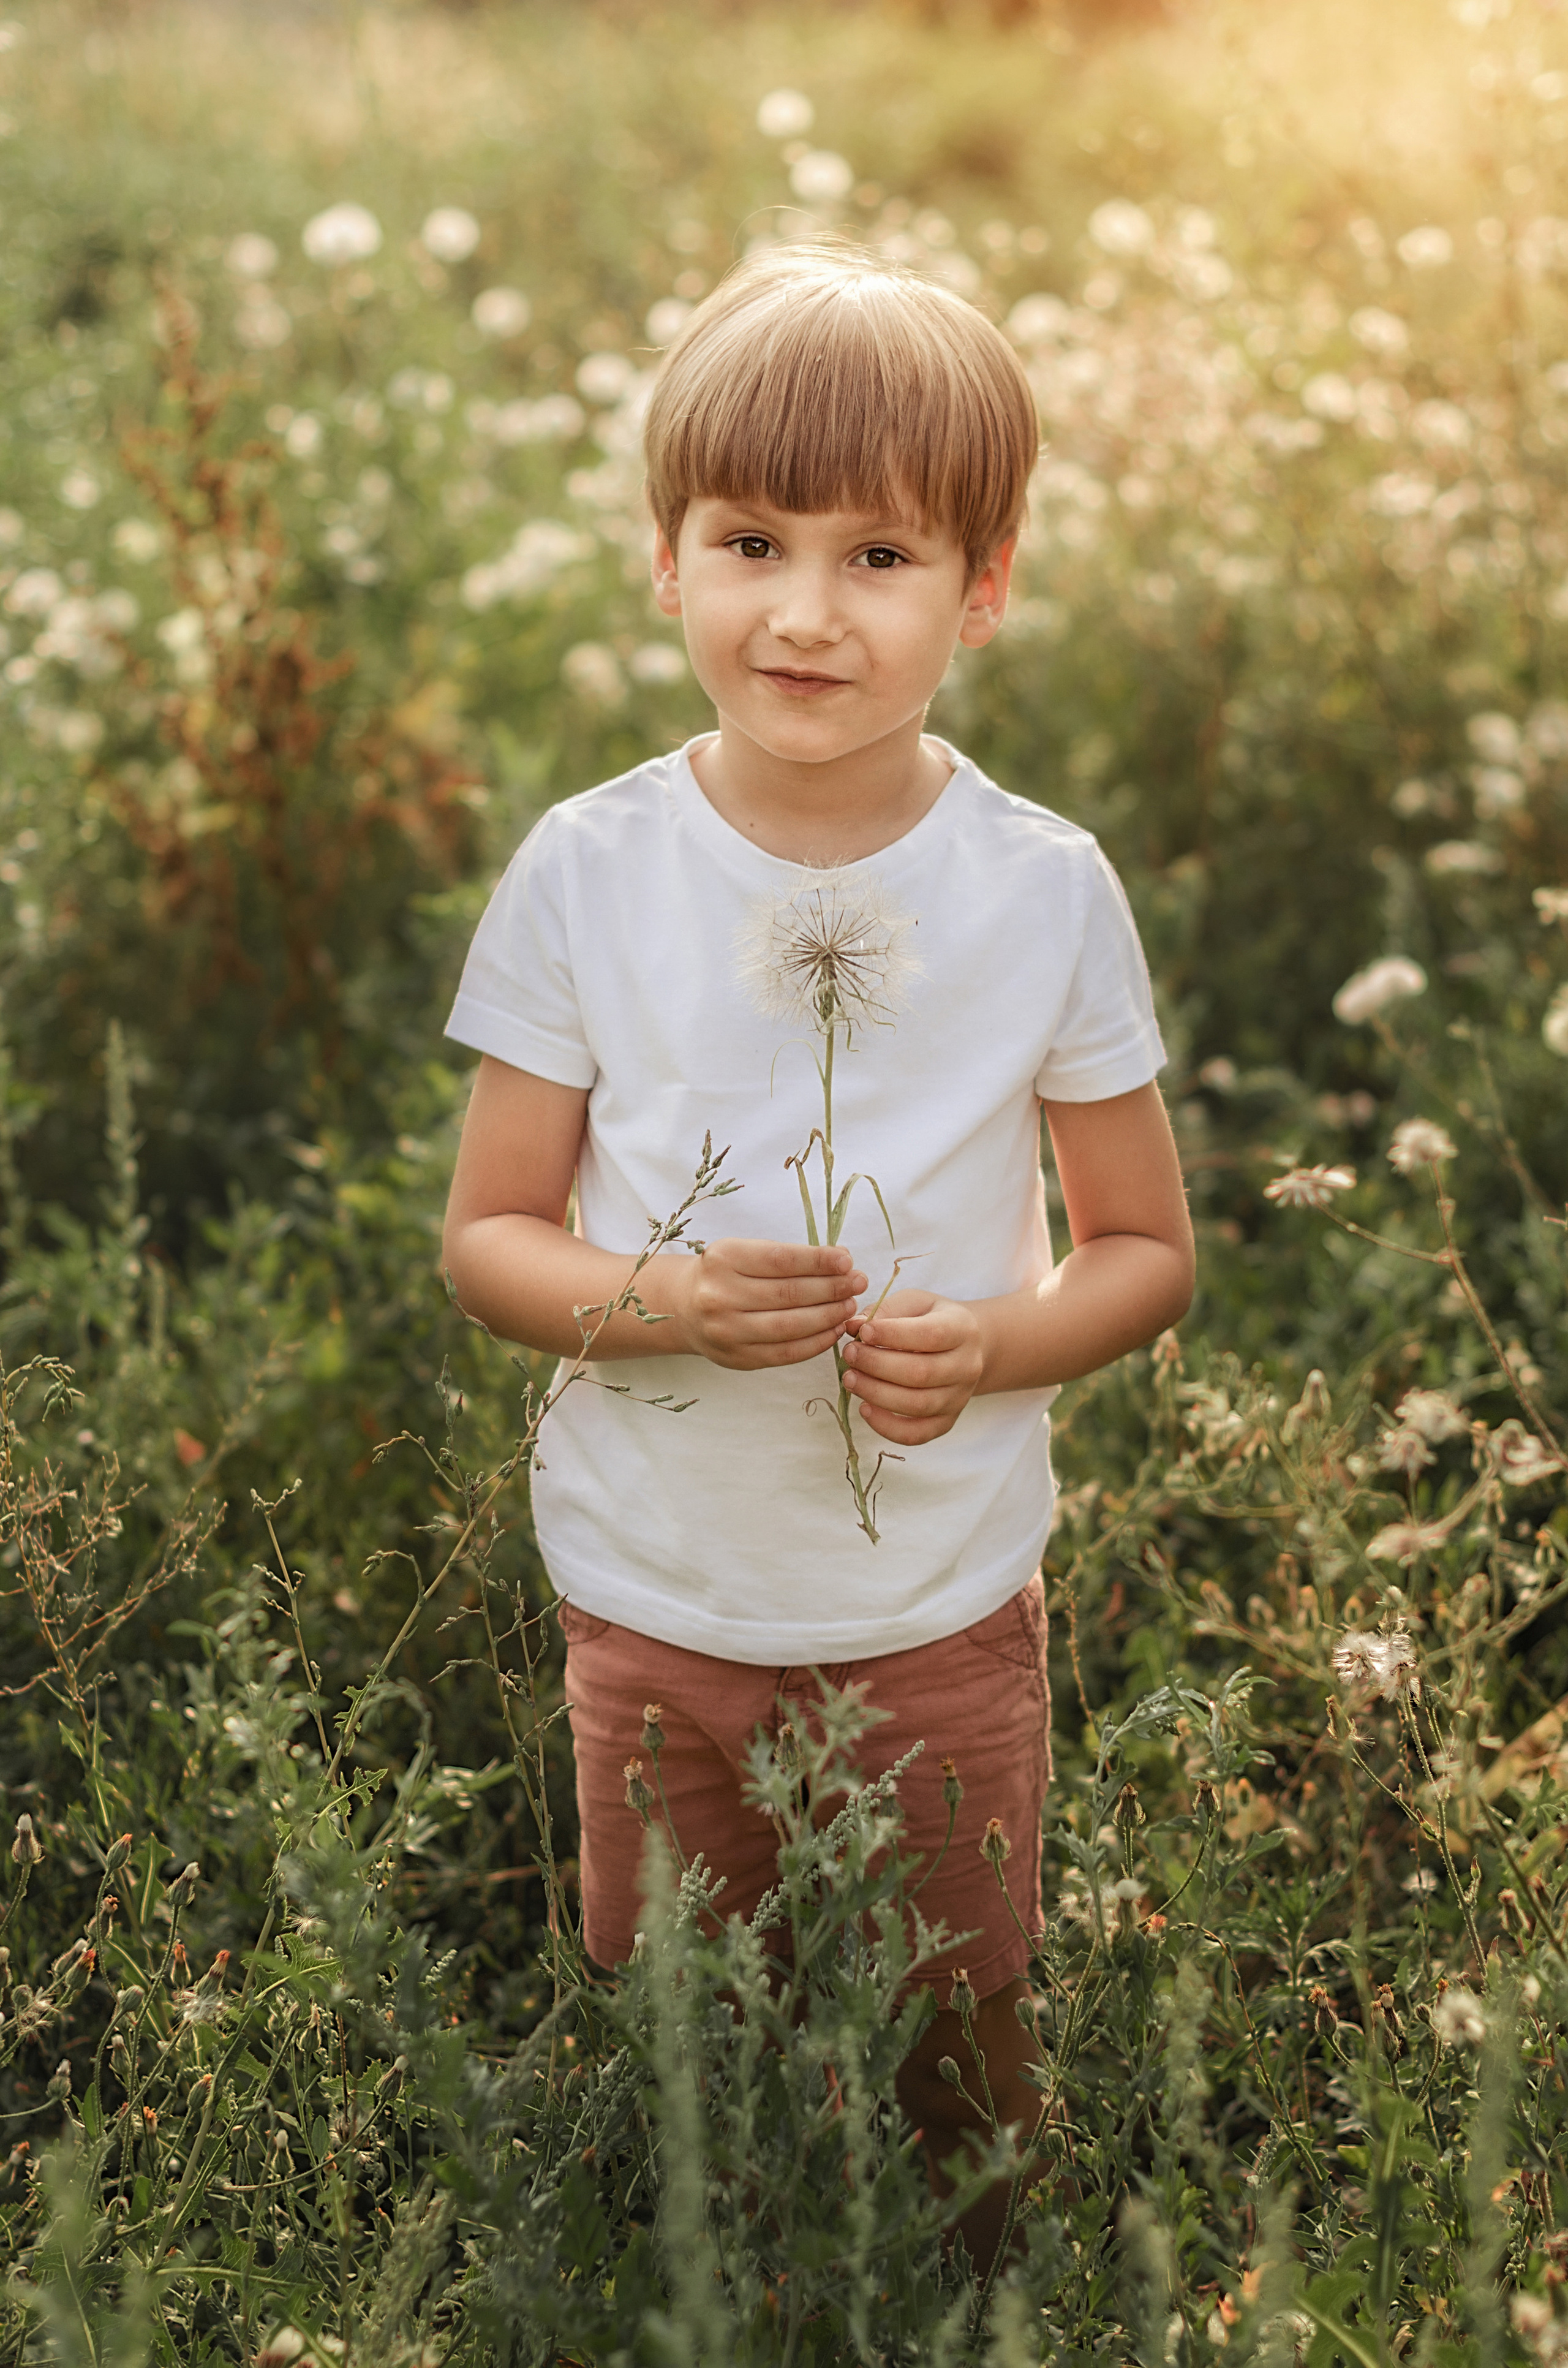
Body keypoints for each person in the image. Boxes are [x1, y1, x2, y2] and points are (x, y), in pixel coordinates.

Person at [441, 243, 1194, 2263]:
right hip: (659, 1586)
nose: (804, 609)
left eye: (882, 556)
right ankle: (736, 2284)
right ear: (660, 558)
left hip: (937, 1594)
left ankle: (983, 2290)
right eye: (751, 537)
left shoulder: (1042, 890)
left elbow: (1142, 1251)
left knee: (964, 2026)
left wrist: (1003, 1347)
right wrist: (660, 1301)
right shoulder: (591, 872)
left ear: (989, 582)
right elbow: (491, 1238)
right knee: (687, 2019)